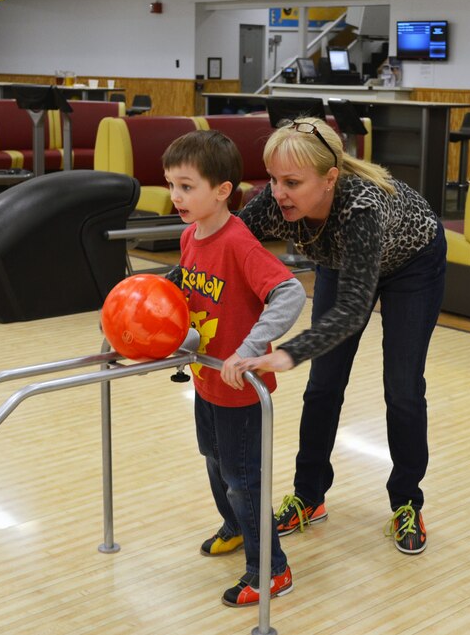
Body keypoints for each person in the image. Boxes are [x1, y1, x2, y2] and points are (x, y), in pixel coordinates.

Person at [236, 117, 447, 555]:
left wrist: (291, 351)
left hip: (413, 263)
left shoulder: (361, 208)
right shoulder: (274, 202)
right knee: (323, 387)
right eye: (273, 179)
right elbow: (224, 246)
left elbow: (354, 310)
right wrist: (169, 291)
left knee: (403, 388)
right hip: (341, 260)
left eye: (292, 182)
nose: (277, 192)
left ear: (330, 178)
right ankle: (309, 496)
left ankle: (407, 501)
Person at [162, 130, 306, 607]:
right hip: (206, 380)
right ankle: (236, 527)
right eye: (171, 185)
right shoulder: (189, 236)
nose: (175, 196)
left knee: (243, 481)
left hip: (242, 390)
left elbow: (290, 293)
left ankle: (271, 570)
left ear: (222, 190)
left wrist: (249, 349)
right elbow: (188, 293)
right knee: (214, 461)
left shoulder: (238, 242)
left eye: (186, 186)